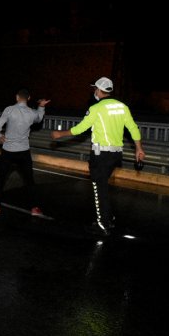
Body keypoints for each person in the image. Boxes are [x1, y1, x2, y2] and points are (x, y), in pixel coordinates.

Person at [51, 77, 145, 236]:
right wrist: (139, 148)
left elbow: (81, 128)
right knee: (103, 187)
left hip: (101, 155)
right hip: (116, 155)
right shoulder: (122, 107)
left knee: (98, 188)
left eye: (95, 88)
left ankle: (102, 224)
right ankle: (108, 217)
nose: (94, 91)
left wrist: (61, 133)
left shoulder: (97, 108)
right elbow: (133, 128)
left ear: (99, 90)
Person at [0, 88, 50, 216]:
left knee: (1, 179)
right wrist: (41, 106)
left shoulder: (9, 110)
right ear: (29, 98)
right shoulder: (31, 113)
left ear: (17, 97)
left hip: (8, 150)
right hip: (24, 151)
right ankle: (34, 208)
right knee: (29, 180)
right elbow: (38, 118)